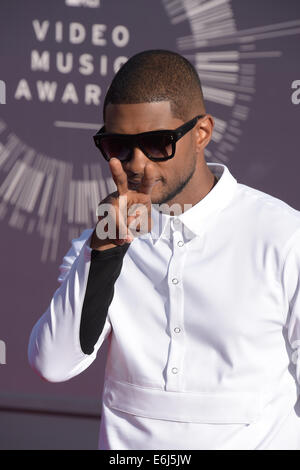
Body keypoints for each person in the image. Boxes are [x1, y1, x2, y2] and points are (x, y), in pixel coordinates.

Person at [28, 49, 300, 450]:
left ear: (202, 133)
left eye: (157, 143)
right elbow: (52, 363)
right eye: (117, 145)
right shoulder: (99, 243)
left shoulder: (283, 236)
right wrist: (104, 249)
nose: (137, 163)